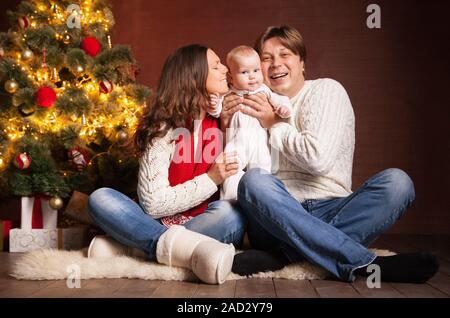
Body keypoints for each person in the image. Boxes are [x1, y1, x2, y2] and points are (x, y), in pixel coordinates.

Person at [226, 25, 439, 283]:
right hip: (276, 215)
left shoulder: (327, 90)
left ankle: (286, 255)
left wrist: (275, 125)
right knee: (254, 181)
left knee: (398, 183)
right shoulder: (252, 100)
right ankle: (364, 262)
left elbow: (318, 159)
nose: (275, 64)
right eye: (266, 58)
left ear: (302, 62)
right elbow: (238, 162)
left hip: (333, 206)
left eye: (285, 55)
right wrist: (226, 121)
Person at [87, 44, 246, 285]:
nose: (225, 68)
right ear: (193, 77)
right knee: (100, 198)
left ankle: (136, 248)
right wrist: (211, 179)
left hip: (204, 222)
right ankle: (181, 250)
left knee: (230, 214)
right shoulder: (163, 128)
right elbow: (152, 204)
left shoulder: (225, 118)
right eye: (216, 66)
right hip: (154, 220)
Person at [208, 45, 293, 200]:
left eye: (256, 70)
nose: (252, 76)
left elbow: (280, 99)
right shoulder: (228, 93)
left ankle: (262, 201)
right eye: (244, 72)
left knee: (262, 172)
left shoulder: (264, 90)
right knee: (230, 169)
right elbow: (217, 112)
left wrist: (283, 108)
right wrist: (214, 105)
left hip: (259, 142)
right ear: (232, 77)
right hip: (236, 142)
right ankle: (230, 200)